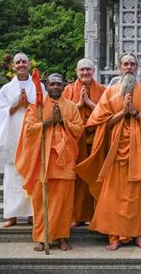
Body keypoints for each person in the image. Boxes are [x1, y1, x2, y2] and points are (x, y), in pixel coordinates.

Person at [76, 53, 141, 250]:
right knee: (114, 195)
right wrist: (122, 114)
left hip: (137, 150)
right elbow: (97, 121)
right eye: (125, 64)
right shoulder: (111, 91)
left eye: (132, 64)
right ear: (120, 67)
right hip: (115, 150)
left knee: (136, 195)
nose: (129, 67)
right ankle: (115, 236)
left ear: (137, 67)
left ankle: (137, 235)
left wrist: (135, 114)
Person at [15, 73, 84, 251]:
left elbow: (79, 130)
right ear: (46, 85)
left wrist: (62, 121)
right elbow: (29, 129)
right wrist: (48, 122)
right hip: (42, 162)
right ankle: (41, 237)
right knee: (41, 201)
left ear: (63, 86)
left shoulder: (71, 107)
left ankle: (61, 237)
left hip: (64, 162)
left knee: (63, 202)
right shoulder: (35, 107)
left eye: (58, 84)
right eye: (52, 84)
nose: (55, 86)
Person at [63, 58, 106, 228]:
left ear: (93, 71)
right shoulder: (67, 90)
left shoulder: (102, 90)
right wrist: (79, 105)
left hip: (96, 140)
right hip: (76, 141)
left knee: (96, 177)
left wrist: (90, 104)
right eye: (82, 70)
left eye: (88, 69)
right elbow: (62, 114)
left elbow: (107, 113)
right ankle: (78, 215)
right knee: (78, 179)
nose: (85, 73)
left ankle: (97, 214)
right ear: (76, 72)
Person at [0, 52, 38, 227]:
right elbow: (0, 112)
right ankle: (11, 216)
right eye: (18, 62)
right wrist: (17, 105)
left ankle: (32, 215)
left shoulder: (38, 87)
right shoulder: (5, 90)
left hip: (31, 136)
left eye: (24, 62)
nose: (21, 64)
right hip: (13, 136)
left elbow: (43, 109)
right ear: (13, 67)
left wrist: (28, 104)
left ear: (29, 65)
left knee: (32, 174)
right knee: (12, 177)